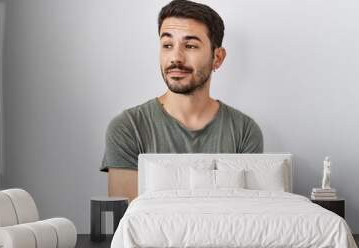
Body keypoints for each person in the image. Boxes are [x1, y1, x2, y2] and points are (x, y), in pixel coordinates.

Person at [100, 0, 264, 201]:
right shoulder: (128, 128)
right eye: (167, 45)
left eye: (190, 46)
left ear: (217, 58)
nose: (175, 57)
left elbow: (246, 216)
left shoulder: (244, 131)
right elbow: (128, 221)